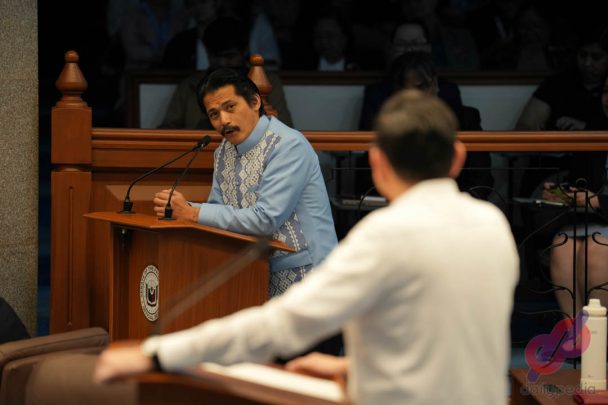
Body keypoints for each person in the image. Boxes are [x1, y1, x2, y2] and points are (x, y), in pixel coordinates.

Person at [94, 89, 519, 404]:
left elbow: (280, 325)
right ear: (458, 157)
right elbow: (441, 346)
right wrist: (354, 368)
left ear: (377, 164)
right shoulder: (494, 226)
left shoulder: (386, 234)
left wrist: (157, 353)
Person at [156, 68, 335, 298]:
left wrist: (192, 213)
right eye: (214, 114)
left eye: (230, 107)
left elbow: (265, 220)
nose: (224, 121)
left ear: (255, 102)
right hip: (253, 274)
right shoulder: (224, 152)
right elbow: (217, 212)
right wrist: (186, 212)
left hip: (307, 279)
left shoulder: (288, 145)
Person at [544, 74, 608, 318]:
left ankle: (598, 334)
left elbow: (596, 198)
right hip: (596, 219)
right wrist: (564, 194)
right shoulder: (595, 130)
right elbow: (580, 180)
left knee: (596, 246)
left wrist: (598, 201)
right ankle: (577, 335)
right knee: (563, 245)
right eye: (606, 91)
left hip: (601, 220)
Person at [159, 16, 293, 129]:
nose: (222, 63)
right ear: (207, 52)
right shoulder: (190, 86)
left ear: (245, 51)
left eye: (229, 56)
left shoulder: (267, 83)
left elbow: (284, 129)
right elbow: (168, 131)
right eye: (215, 57)